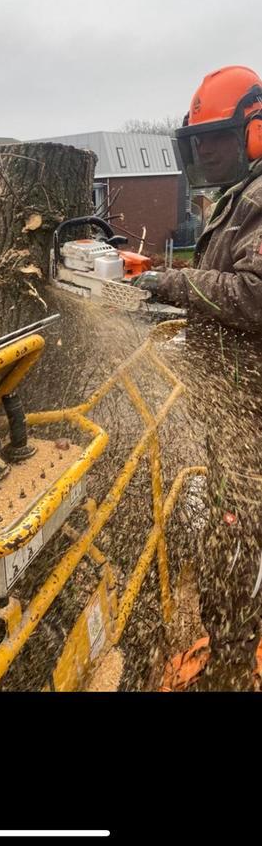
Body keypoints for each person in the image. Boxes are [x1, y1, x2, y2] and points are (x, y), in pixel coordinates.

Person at [133, 65, 262, 690]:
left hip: (252, 417)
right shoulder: (240, 198)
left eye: (216, 137)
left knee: (234, 547)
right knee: (227, 536)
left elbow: (257, 294)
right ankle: (233, 644)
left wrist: (174, 283)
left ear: (254, 132)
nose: (205, 150)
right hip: (235, 409)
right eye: (199, 140)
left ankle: (235, 668)